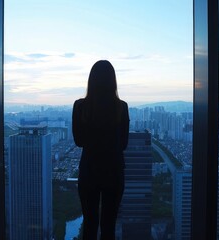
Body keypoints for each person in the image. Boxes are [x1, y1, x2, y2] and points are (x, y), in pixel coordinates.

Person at [72, 60, 130, 240]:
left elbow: (79, 141)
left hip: (89, 172)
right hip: (114, 173)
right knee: (108, 226)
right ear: (113, 81)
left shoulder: (80, 106)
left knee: (90, 224)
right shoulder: (121, 107)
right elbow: (124, 144)